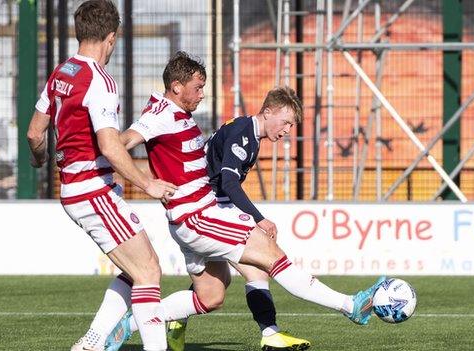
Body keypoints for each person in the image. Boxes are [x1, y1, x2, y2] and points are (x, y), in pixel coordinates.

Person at [104, 51, 385, 350]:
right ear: (176, 86)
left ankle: (133, 323)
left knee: (211, 295)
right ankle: (349, 305)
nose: (202, 95)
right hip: (199, 215)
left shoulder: (182, 116)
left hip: (195, 216)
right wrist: (141, 182)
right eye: (198, 88)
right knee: (270, 256)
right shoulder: (163, 115)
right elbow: (118, 144)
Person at [26, 1, 177, 350]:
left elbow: (35, 133)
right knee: (149, 272)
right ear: (110, 37)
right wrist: (147, 182)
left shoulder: (62, 72)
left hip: (76, 189)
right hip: (94, 191)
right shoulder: (100, 80)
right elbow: (110, 146)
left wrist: (40, 160)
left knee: (137, 269)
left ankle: (92, 341)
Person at [165, 87, 311, 351]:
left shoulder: (249, 134)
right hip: (206, 209)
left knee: (212, 294)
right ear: (268, 112)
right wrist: (259, 219)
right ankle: (270, 333)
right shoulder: (243, 133)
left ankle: (174, 316)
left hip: (211, 206)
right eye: (287, 122)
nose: (289, 129)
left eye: (292, 125)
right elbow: (230, 183)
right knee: (257, 267)